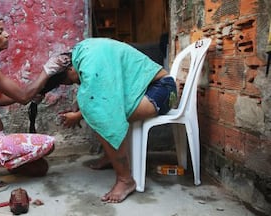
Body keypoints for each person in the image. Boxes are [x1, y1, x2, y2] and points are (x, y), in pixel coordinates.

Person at [41, 38, 177, 203]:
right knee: (99, 108)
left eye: (70, 80)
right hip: (147, 90)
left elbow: (101, 100)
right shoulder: (84, 53)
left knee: (102, 114)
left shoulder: (88, 58)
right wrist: (80, 112)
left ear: (70, 68)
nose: (74, 83)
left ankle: (125, 180)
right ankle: (110, 157)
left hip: (162, 91)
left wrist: (78, 115)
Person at [0, 9, 57, 192]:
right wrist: (47, 71)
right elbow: (22, 97)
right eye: (0, 32)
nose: (6, 34)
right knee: (49, 144)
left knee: (40, 168)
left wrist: (33, 94)